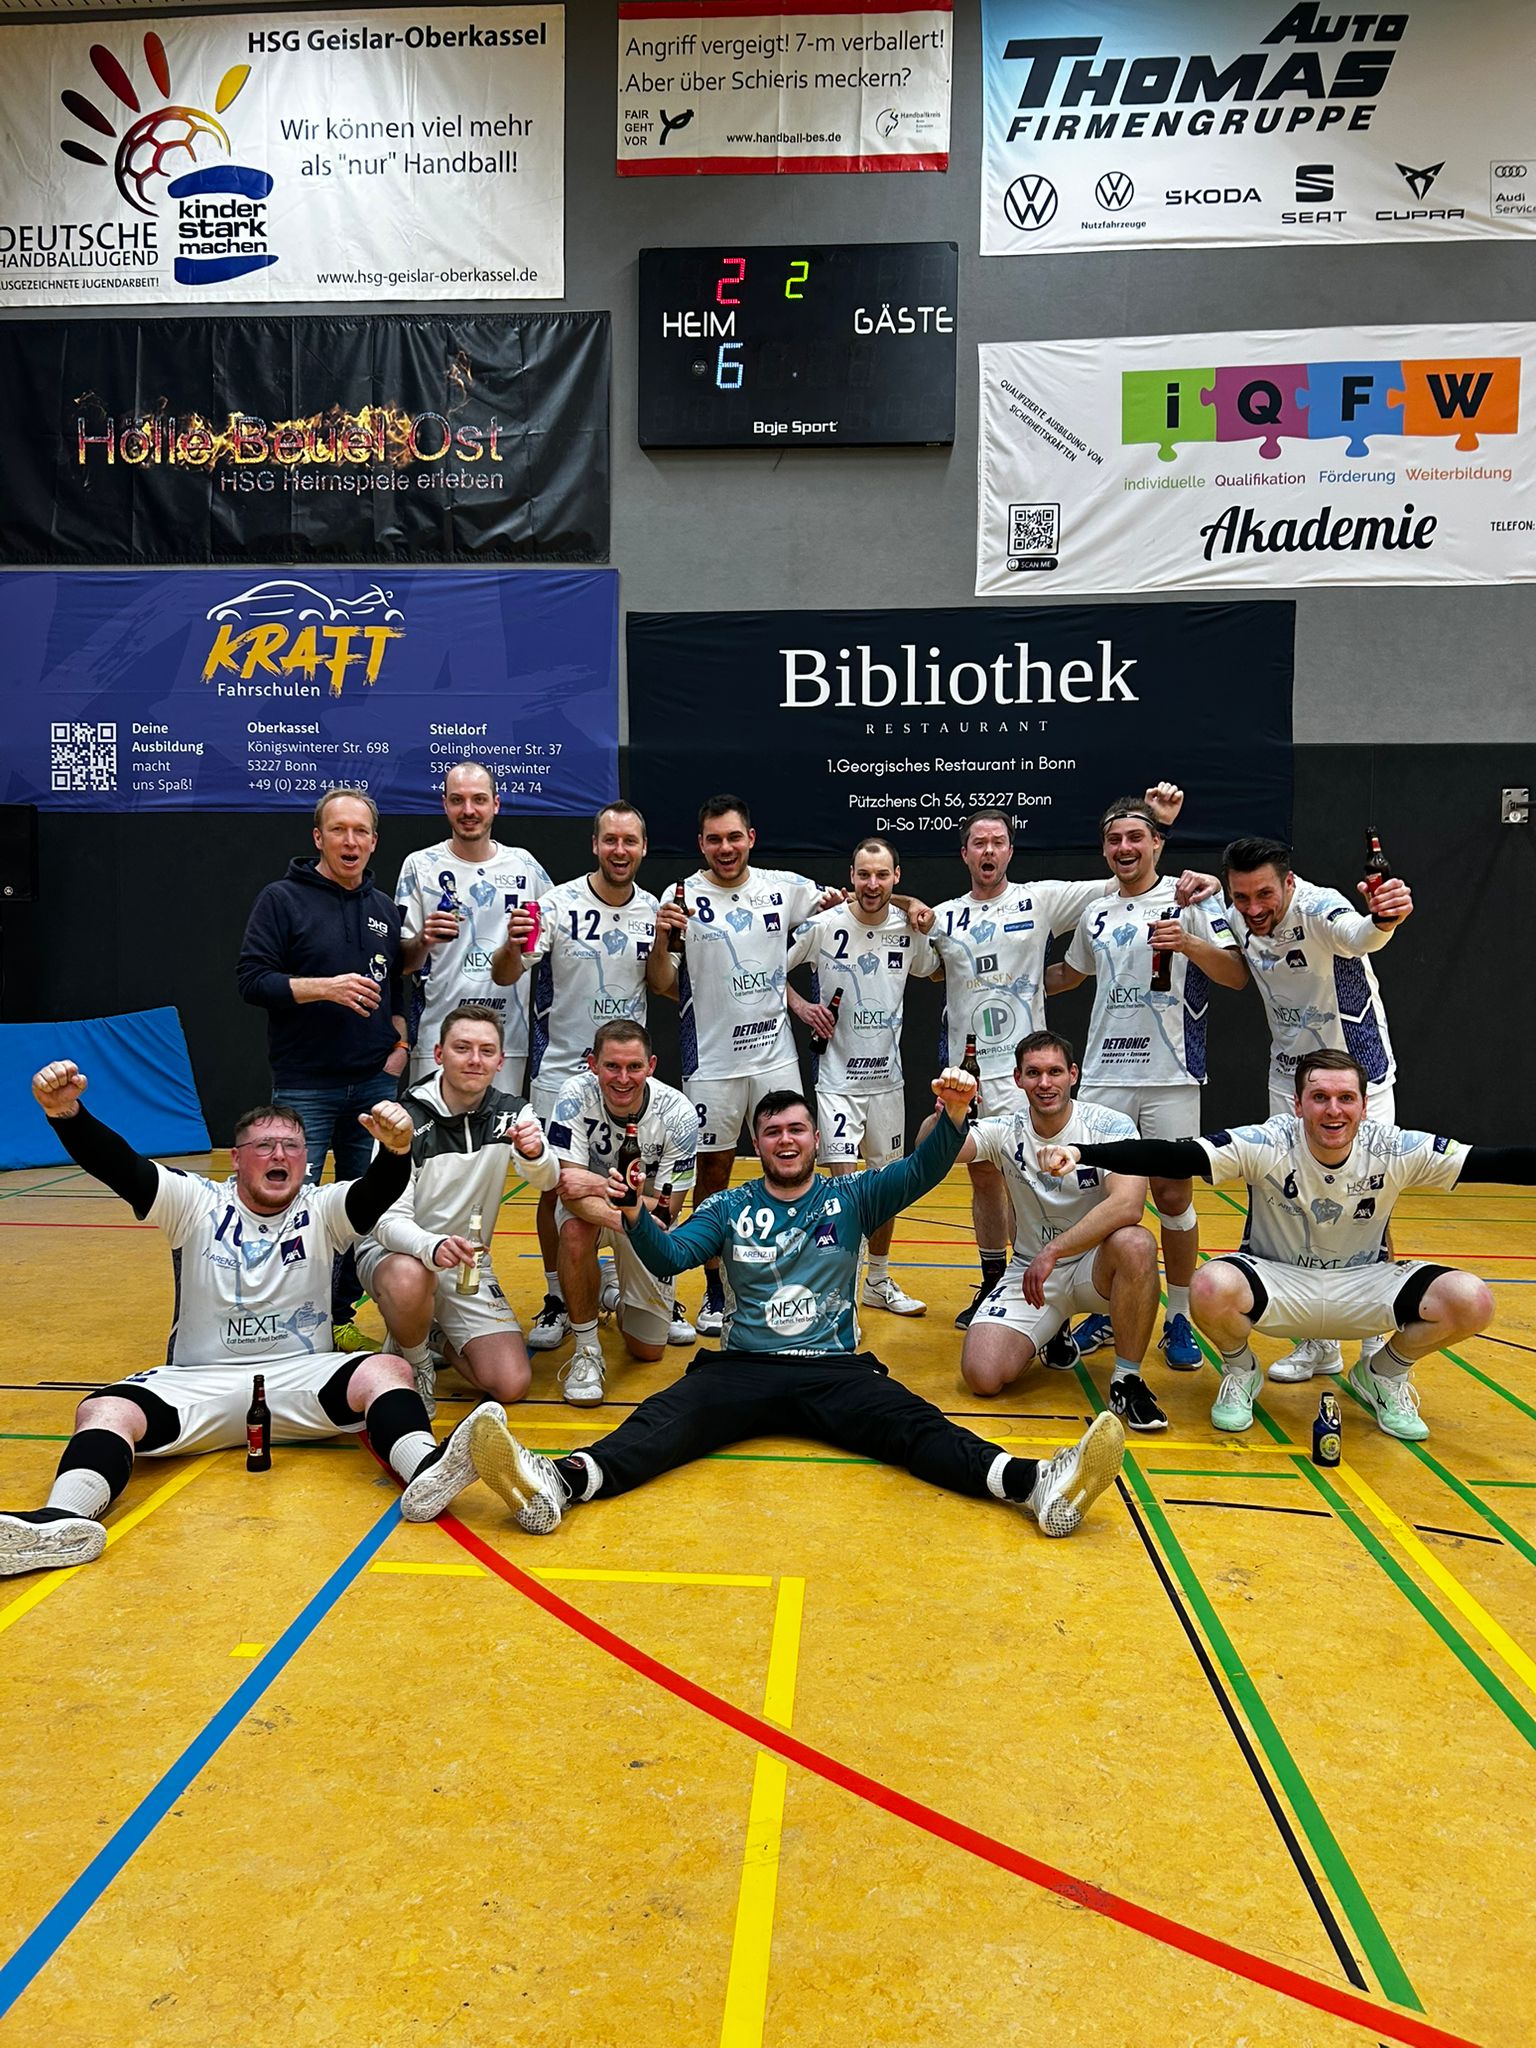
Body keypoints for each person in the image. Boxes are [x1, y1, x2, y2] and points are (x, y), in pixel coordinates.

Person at [466, 1066, 1127, 1539]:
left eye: (797, 1130)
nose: (785, 1140)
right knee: (660, 1424)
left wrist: (954, 1115)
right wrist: (636, 1214)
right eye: (773, 1132)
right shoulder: (728, 1206)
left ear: (815, 1139)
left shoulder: (853, 1195)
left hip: (833, 1369)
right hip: (744, 1367)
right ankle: (556, 1483)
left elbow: (922, 1169)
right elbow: (670, 1258)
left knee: (919, 1429)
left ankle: (1038, 1485)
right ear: (757, 1144)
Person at [0, 1061, 504, 1578]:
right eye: (264, 1146)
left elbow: (375, 1191)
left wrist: (396, 1151)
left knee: (387, 1371)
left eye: (292, 1146)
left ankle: (426, 1471)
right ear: (237, 1158)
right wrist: (68, 1116)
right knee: (105, 1410)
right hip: (198, 1382)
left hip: (300, 1381)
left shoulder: (323, 1207)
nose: (279, 1154)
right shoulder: (193, 1201)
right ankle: (63, 1522)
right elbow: (121, 1166)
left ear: (308, 1160)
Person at [1034, 1047, 1530, 1443]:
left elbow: (1494, 1162)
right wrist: (1082, 1151)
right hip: (1277, 1284)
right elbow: (1174, 1156)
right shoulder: (1269, 1141)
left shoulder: (1392, 1146)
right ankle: (1240, 1370)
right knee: (1209, 1285)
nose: (1333, 1110)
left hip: (1363, 1285)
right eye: (1319, 1097)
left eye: (1346, 1098)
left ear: (1363, 1105)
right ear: (1297, 1104)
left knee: (1472, 1298)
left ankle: (1384, 1373)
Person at [926, 786, 1200, 1331]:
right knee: (984, 1178)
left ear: (1010, 850)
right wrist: (906, 908)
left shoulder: (1042, 899)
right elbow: (919, 956)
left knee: (1062, 1182)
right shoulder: (943, 917)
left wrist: (1165, 829)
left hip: (1029, 1072)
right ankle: (994, 1280)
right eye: (978, 842)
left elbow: (1127, 878)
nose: (988, 850)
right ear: (964, 853)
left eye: (998, 842)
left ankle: (1114, 1297)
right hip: (970, 1067)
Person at [1045, 797, 1245, 1370]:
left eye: (1136, 837)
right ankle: (1109, 1307)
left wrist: (1189, 943)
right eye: (1115, 840)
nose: (1125, 848)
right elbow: (1069, 974)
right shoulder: (1096, 911)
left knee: (1173, 1196)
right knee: (1101, 1198)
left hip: (1171, 1075)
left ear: (1158, 842)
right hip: (1105, 1075)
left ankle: (1178, 1316)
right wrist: (999, 977)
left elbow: (1235, 975)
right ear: (1104, 848)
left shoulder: (1193, 898)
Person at [492, 801, 687, 1353]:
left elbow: (665, 986)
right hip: (562, 1072)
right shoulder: (557, 904)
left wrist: (662, 941)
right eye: (610, 840)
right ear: (595, 845)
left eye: (630, 841)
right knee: (553, 1188)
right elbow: (505, 974)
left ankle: (642, 1285)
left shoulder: (653, 909)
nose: (619, 850)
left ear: (643, 848)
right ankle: (558, 1295)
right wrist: (512, 942)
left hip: (623, 1076)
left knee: (636, 1179)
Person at [1222, 834, 1414, 1383]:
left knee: (1369, 1202)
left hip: (1356, 1076)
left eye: (1265, 894)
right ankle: (1318, 1342)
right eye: (1241, 896)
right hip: (1289, 1079)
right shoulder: (1234, 912)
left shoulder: (1320, 905)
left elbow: (1361, 934)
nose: (1253, 908)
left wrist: (1385, 918)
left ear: (1289, 882)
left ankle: (1375, 1340)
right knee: (1292, 1206)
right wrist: (1207, 887)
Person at [649, 794, 838, 1336]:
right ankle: (717, 1290)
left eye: (734, 837)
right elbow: (662, 983)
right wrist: (662, 937)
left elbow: (855, 903)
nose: (725, 847)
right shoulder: (681, 896)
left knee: (795, 1164)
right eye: (714, 839)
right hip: (712, 1064)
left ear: (751, 838)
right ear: (701, 844)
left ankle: (796, 1279)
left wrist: (909, 907)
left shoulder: (786, 888)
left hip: (775, 1059)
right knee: (712, 1175)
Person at [236, 785, 409, 1343]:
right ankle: (280, 1323)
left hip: (373, 1084)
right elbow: (252, 981)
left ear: (374, 841)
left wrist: (400, 1047)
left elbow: (395, 988)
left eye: (360, 831)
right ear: (318, 837)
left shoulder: (384, 909)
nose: (350, 841)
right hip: (305, 1083)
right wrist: (323, 987)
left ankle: (336, 1317)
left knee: (364, 1210)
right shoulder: (281, 899)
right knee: (289, 1208)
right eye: (339, 830)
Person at [945, 1032, 1166, 1431]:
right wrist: (949, 1113)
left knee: (1137, 1242)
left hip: (1093, 1268)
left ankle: (1127, 1379)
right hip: (1032, 1272)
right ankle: (1049, 1328)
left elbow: (1129, 1205)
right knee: (982, 1376)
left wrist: (1054, 1251)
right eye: (1033, 1073)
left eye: (1055, 1072)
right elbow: (936, 1151)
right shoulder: (1004, 1129)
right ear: (1017, 1079)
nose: (1045, 1083)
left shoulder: (1109, 1125)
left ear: (1073, 1075)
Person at [353, 1003, 560, 1417]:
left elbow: (548, 1180)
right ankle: (417, 1362)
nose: (474, 1059)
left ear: (500, 1061)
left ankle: (431, 1333)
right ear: (438, 1054)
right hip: (398, 1255)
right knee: (411, 1276)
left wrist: (535, 1154)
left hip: (466, 1263)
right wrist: (432, 1247)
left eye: (486, 1051)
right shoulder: (405, 1119)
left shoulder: (513, 1111)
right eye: (462, 1048)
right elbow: (385, 1221)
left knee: (510, 1383)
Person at [785, 835, 937, 1315]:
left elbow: (932, 970)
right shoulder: (824, 925)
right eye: (864, 874)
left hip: (889, 1084)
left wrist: (916, 909)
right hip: (837, 1083)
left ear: (896, 877)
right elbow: (770, 969)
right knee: (845, 1194)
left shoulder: (906, 928)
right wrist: (802, 1006)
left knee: (885, 1190)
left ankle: (878, 1280)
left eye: (882, 875)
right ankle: (840, 1289)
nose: (873, 884)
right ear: (850, 877)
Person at [543, 1020, 700, 1405]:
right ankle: (586, 1350)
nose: (623, 1078)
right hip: (606, 1218)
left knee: (648, 1350)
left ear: (651, 1066)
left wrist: (596, 1184)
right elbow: (569, 1192)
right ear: (593, 1064)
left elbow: (667, 1210)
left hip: (644, 1223)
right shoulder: (573, 1095)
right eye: (612, 1066)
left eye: (634, 1067)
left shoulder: (678, 1113)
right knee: (575, 1229)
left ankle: (609, 1293)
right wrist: (622, 1209)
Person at [394, 760, 551, 1091]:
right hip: (437, 1038)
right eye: (457, 800)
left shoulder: (525, 866)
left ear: (496, 804)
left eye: (479, 799)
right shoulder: (420, 866)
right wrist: (423, 940)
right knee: (432, 1125)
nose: (468, 810)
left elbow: (558, 936)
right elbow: (402, 964)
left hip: (506, 1038)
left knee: (499, 1126)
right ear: (445, 805)